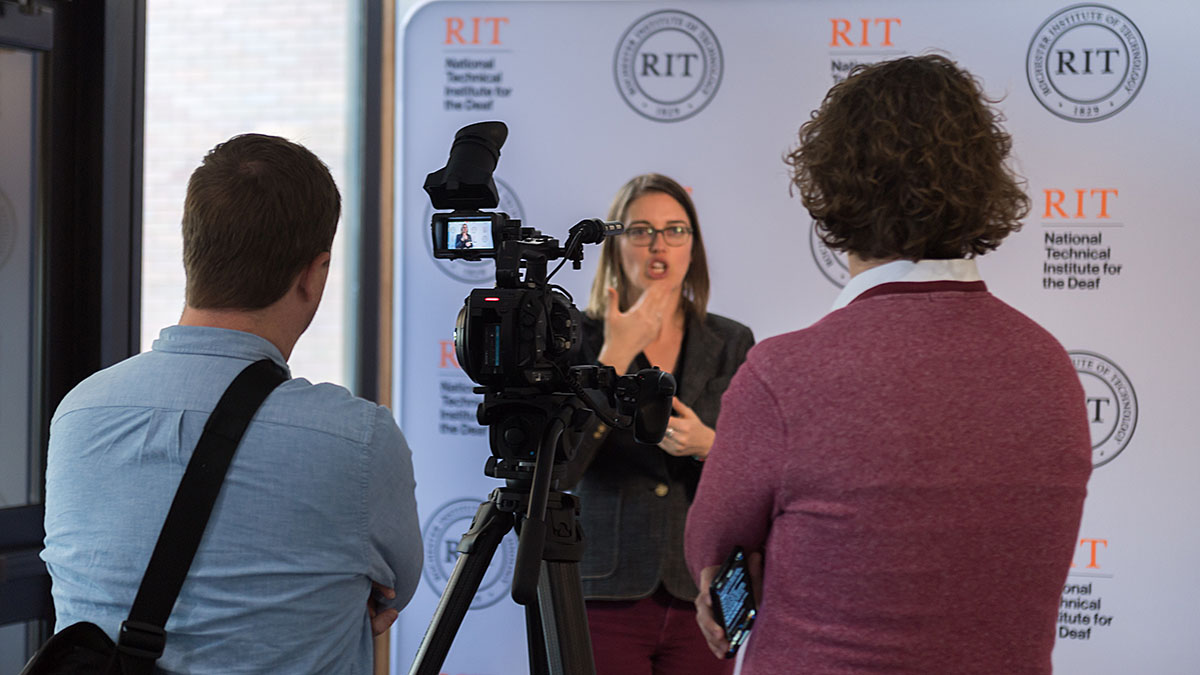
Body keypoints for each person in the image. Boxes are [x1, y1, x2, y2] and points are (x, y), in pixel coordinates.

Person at [685, 55, 1092, 673]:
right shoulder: (1050, 368)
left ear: (833, 186)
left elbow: (713, 556)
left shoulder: (784, 374)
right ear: (983, 183)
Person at [41, 133, 422, 674]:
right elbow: (392, 592)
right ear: (314, 275)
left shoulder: (79, 414)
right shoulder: (358, 440)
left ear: (192, 252)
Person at [560, 173, 754, 675]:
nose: (658, 245)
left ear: (694, 248)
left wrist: (712, 446)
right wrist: (616, 354)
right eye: (641, 230)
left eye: (675, 230)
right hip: (603, 588)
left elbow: (758, 470)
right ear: (615, 246)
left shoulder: (732, 341)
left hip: (701, 591)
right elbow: (560, 467)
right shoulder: (576, 338)